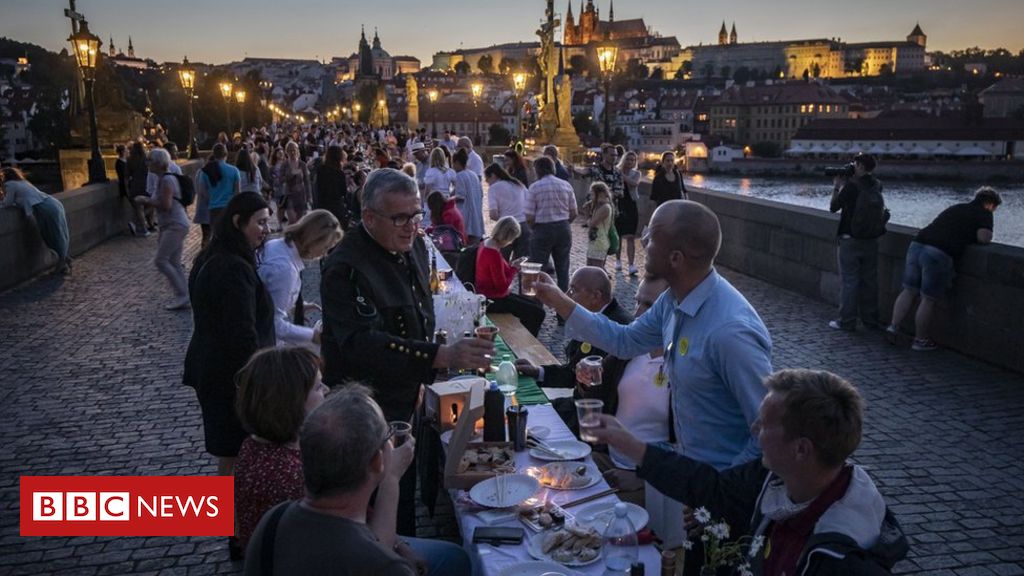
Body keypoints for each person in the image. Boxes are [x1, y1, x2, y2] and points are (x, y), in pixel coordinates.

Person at [588, 369, 909, 576]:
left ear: (801, 449)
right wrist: (629, 444)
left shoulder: (843, 559)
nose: (753, 429)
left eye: (765, 424)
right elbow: (712, 488)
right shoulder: (778, 477)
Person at [532, 200, 773, 469]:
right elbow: (624, 341)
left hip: (719, 488)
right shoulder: (673, 299)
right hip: (689, 477)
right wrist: (559, 300)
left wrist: (720, 489)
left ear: (675, 258)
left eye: (652, 236)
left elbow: (768, 430)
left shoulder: (730, 331)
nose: (642, 239)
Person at [319, 168, 494, 535]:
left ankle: (403, 546)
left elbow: (420, 303)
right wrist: (438, 356)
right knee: (373, 503)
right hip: (364, 408)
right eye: (399, 217)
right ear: (369, 217)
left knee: (401, 494)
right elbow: (360, 343)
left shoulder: (412, 241)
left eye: (416, 215)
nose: (411, 226)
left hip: (405, 393)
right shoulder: (345, 267)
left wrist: (424, 370)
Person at [244, 384, 471, 576]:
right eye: (387, 437)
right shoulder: (383, 566)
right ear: (376, 461)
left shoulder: (272, 520)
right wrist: (391, 478)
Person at [183, 192, 275, 477]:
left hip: (215, 369)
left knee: (232, 453)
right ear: (238, 222)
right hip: (231, 377)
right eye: (260, 222)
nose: (266, 230)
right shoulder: (233, 268)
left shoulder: (211, 256)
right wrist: (265, 377)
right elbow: (241, 333)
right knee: (235, 454)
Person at [575, 275, 671, 506]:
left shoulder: (685, 363)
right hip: (607, 458)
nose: (638, 313)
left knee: (594, 514)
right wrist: (586, 379)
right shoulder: (631, 347)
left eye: (649, 305)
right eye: (638, 302)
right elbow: (595, 395)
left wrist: (643, 477)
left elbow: (692, 445)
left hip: (655, 478)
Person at [233, 346, 328, 555]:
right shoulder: (289, 476)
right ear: (294, 401)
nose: (327, 391)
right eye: (319, 387)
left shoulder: (254, 444)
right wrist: (389, 480)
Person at [887, 187, 1001, 352]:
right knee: (928, 299)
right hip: (938, 252)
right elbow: (983, 237)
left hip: (917, 245)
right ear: (991, 204)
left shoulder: (957, 207)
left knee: (908, 290)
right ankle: (920, 340)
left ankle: (893, 327)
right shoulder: (984, 212)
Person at [516, 267, 632, 389]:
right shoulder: (590, 318)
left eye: (573, 290)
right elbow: (572, 371)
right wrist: (537, 372)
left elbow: (593, 385)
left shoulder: (617, 326)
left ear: (595, 296)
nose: (567, 295)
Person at [258, 210, 343, 350]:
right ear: (314, 239)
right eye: (326, 247)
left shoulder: (278, 245)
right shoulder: (285, 270)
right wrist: (313, 335)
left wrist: (292, 306)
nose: (324, 254)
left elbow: (269, 300)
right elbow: (273, 324)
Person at [828, 153, 888, 332]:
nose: (852, 166)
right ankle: (870, 321)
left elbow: (833, 207)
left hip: (850, 239)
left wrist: (837, 187)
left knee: (850, 281)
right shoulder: (877, 185)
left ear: (861, 166)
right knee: (870, 281)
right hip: (871, 240)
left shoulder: (852, 187)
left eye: (855, 164)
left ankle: (846, 321)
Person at [132, 148, 191, 310]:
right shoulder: (164, 179)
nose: (147, 163)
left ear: (158, 163)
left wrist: (145, 200)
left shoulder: (166, 181)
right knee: (174, 262)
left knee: (161, 260)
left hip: (175, 224)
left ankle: (182, 294)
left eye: (150, 160)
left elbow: (166, 205)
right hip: (174, 224)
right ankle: (184, 294)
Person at [475, 216, 546, 335]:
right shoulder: (493, 253)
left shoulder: (486, 244)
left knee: (535, 306)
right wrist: (514, 268)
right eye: (512, 239)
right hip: (493, 299)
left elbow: (497, 273)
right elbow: (502, 286)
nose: (512, 242)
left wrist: (512, 265)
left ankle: (524, 335)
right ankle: (526, 341)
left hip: (490, 294)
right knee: (537, 313)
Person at [1, 167, 72, 275]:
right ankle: (65, 259)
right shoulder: (22, 182)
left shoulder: (9, 184)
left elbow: (7, 203)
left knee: (51, 235)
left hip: (44, 208)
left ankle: (62, 263)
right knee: (58, 232)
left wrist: (2, 197)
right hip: (51, 203)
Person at [525, 156, 578, 292]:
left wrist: (535, 229)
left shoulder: (534, 187)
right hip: (563, 228)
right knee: (563, 268)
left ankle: (536, 304)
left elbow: (530, 217)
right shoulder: (566, 185)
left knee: (537, 268)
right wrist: (564, 223)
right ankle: (563, 306)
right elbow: (574, 212)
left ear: (537, 170)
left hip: (542, 229)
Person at [484, 162, 530, 260]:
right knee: (521, 263)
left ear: (493, 175)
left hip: (505, 228)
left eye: (487, 179)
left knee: (502, 261)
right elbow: (529, 204)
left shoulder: (494, 188)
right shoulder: (518, 184)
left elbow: (493, 214)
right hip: (523, 226)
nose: (487, 182)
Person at [198, 143, 242, 228]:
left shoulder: (205, 171)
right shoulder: (234, 170)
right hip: (229, 207)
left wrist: (210, 200)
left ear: (213, 154)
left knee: (216, 234)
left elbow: (202, 191)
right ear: (226, 154)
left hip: (214, 207)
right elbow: (238, 192)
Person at [614, 150, 642, 275]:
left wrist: (622, 175)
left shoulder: (636, 173)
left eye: (633, 160)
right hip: (618, 204)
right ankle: (618, 260)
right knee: (618, 234)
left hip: (631, 204)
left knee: (630, 236)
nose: (630, 162)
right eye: (628, 159)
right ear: (624, 160)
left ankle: (631, 264)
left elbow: (633, 184)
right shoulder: (616, 171)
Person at [452, 148, 485, 245]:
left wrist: (448, 199)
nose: (453, 167)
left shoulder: (460, 176)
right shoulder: (473, 175)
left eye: (453, 164)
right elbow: (481, 193)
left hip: (466, 220)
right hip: (477, 219)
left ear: (457, 163)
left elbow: (461, 197)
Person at [314, 144, 351, 229]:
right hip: (336, 206)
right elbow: (343, 192)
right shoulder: (339, 173)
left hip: (322, 206)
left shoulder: (320, 170)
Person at [279, 141, 312, 224]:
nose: (292, 152)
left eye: (294, 150)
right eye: (290, 150)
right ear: (287, 152)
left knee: (300, 222)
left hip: (301, 195)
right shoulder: (285, 164)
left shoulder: (302, 164)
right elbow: (280, 180)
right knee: (292, 220)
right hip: (289, 194)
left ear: (297, 151)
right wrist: (290, 174)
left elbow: (307, 181)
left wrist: (309, 196)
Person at [583, 181, 614, 268]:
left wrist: (586, 214)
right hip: (595, 242)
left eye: (592, 194)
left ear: (599, 194)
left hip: (599, 243)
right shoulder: (599, 206)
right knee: (590, 268)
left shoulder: (605, 207)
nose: (591, 197)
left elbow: (592, 224)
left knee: (596, 269)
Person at [126, 140, 154, 236]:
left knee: (139, 207)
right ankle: (142, 227)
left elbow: (127, 175)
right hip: (146, 185)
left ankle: (140, 226)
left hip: (135, 185)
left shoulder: (130, 160)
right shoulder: (146, 159)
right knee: (151, 205)